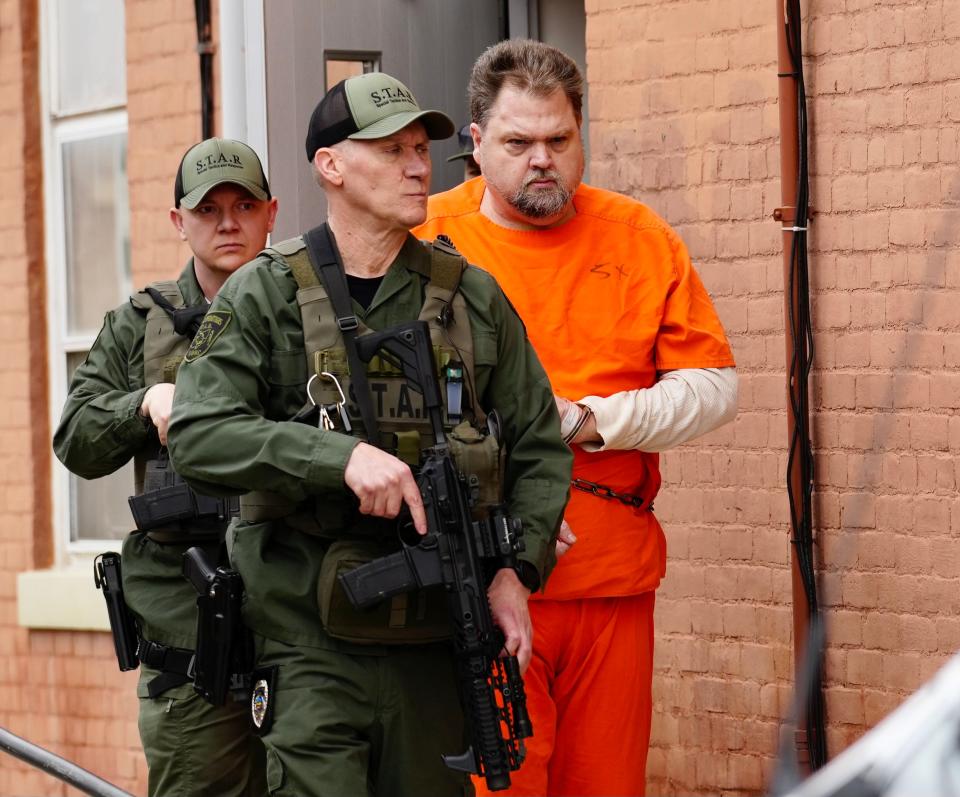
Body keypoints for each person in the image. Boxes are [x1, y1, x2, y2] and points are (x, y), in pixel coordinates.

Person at [166, 71, 571, 797]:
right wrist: (337, 455)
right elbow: (197, 432)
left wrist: (519, 569)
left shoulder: (469, 295)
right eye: (392, 150)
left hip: (437, 643)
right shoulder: (267, 291)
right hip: (311, 646)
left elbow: (540, 443)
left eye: (421, 148)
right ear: (332, 166)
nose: (419, 166)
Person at [415, 39, 739, 797]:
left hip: (609, 581)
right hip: (478, 576)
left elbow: (715, 388)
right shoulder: (425, 239)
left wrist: (594, 419)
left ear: (581, 132)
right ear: (475, 142)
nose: (542, 160)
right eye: (518, 142)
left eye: (559, 141)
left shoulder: (638, 236)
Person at [53, 138, 277, 796]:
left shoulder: (311, 315)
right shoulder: (140, 326)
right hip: (192, 635)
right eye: (208, 209)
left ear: (272, 213)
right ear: (179, 222)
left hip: (300, 627)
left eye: (243, 205)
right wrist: (141, 402)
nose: (228, 222)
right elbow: (75, 438)